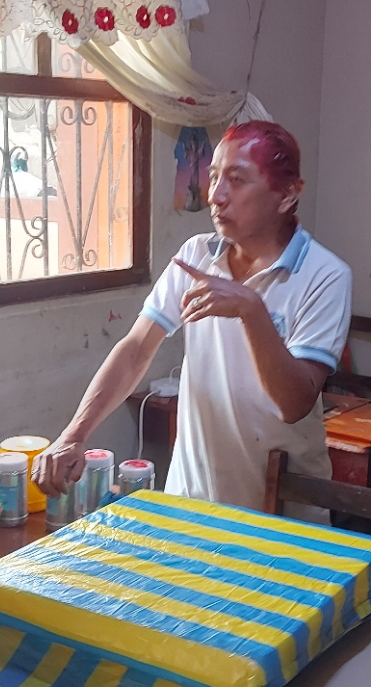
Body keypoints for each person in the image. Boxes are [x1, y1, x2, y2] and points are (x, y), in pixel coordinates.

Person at [33, 121, 351, 519]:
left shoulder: (325, 275)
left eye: (236, 180)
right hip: (194, 497)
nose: (215, 195)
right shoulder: (197, 256)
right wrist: (74, 433)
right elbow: (136, 350)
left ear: (287, 195)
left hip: (283, 512)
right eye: (214, 177)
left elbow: (293, 404)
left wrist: (252, 311)